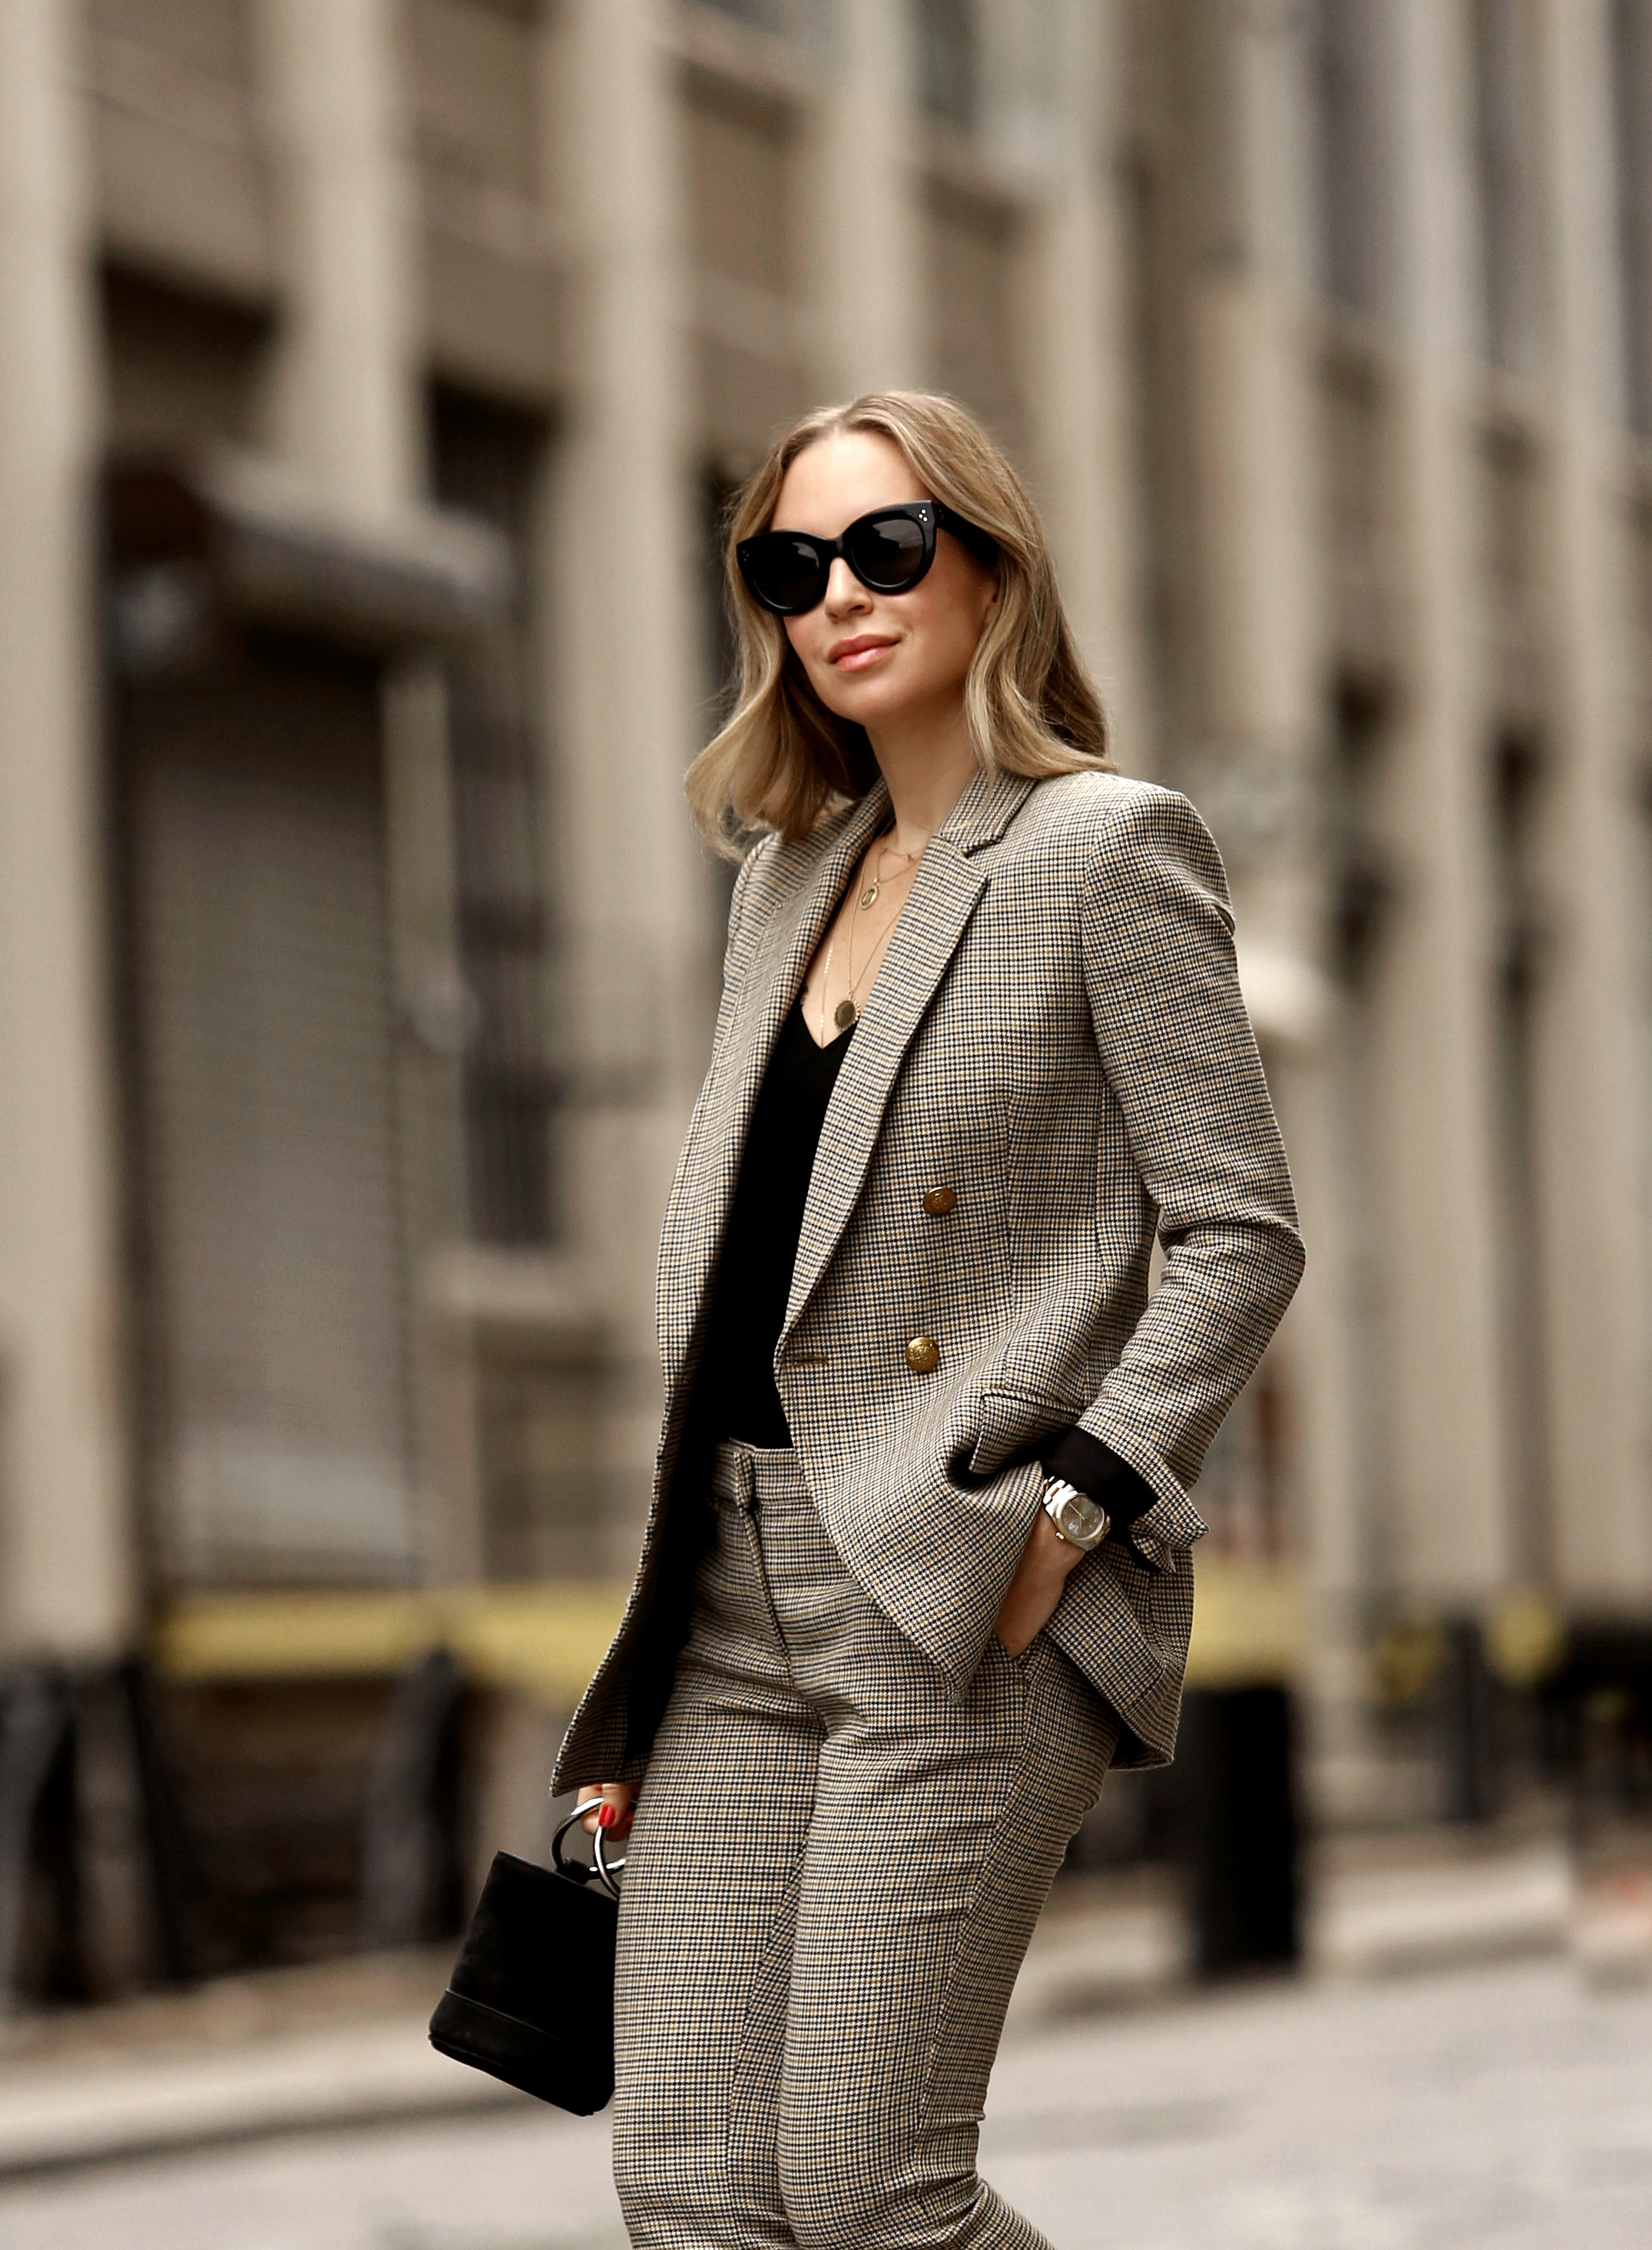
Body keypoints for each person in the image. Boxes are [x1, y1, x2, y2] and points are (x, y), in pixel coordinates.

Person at [554, 391, 1304, 2249]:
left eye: (888, 547)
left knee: (874, 2196)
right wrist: (658, 1632)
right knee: (695, 2195)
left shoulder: (1104, 849)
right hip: (729, 1595)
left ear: (988, 565)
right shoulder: (780, 883)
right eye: (792, 565)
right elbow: (741, 1274)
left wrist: (1077, 1507)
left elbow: (1237, 1233)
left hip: (959, 1582)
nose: (843, 595)